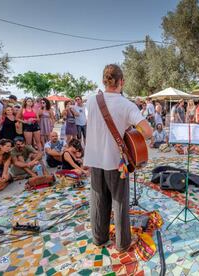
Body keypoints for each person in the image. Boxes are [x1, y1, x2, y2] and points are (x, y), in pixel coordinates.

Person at [84, 64, 152, 252]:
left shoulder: (90, 101)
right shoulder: (126, 104)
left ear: (104, 81)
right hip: (116, 162)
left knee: (98, 200)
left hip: (94, 159)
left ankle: (99, 238)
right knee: (119, 202)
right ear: (122, 81)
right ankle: (122, 244)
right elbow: (148, 131)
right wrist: (129, 135)